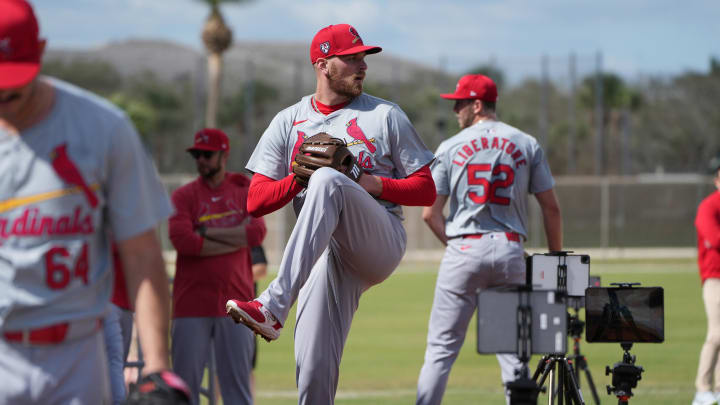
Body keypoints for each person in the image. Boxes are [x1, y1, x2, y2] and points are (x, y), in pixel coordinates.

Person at [225, 23, 436, 405]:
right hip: (321, 252)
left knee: (327, 180)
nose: (362, 65)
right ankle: (278, 313)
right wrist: (295, 179)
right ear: (323, 64)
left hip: (377, 237)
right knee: (313, 367)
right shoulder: (288, 121)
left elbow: (426, 189)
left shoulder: (385, 115)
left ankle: (273, 305)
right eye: (352, 58)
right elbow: (254, 202)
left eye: (364, 58)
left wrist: (374, 184)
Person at [0, 1, 187, 403]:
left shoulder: (102, 129)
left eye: (13, 77)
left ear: (41, 50)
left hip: (77, 354)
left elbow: (142, 253)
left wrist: (156, 366)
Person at [415, 74, 563, 405]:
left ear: (477, 105)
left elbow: (430, 214)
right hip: (510, 248)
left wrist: (456, 246)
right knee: (513, 353)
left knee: (440, 350)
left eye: (460, 103)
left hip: (465, 246)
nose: (456, 110)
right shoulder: (526, 142)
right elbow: (551, 209)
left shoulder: (450, 146)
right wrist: (555, 263)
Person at [168, 128, 267, 405]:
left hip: (236, 306)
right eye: (197, 155)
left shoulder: (242, 189)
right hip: (190, 306)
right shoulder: (184, 196)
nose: (201, 160)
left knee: (237, 391)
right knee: (184, 391)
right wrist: (234, 236)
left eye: (207, 155)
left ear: (224, 155)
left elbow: (255, 234)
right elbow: (184, 242)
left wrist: (205, 231)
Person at [692, 156, 720, 405]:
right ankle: (702, 389)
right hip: (715, 278)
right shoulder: (709, 206)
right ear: (716, 180)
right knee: (716, 334)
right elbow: (714, 238)